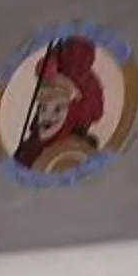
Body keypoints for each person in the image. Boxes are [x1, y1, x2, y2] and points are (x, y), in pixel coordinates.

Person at [12, 34, 108, 173]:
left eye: (58, 109)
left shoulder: (74, 154)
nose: (47, 116)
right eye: (43, 108)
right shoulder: (27, 151)